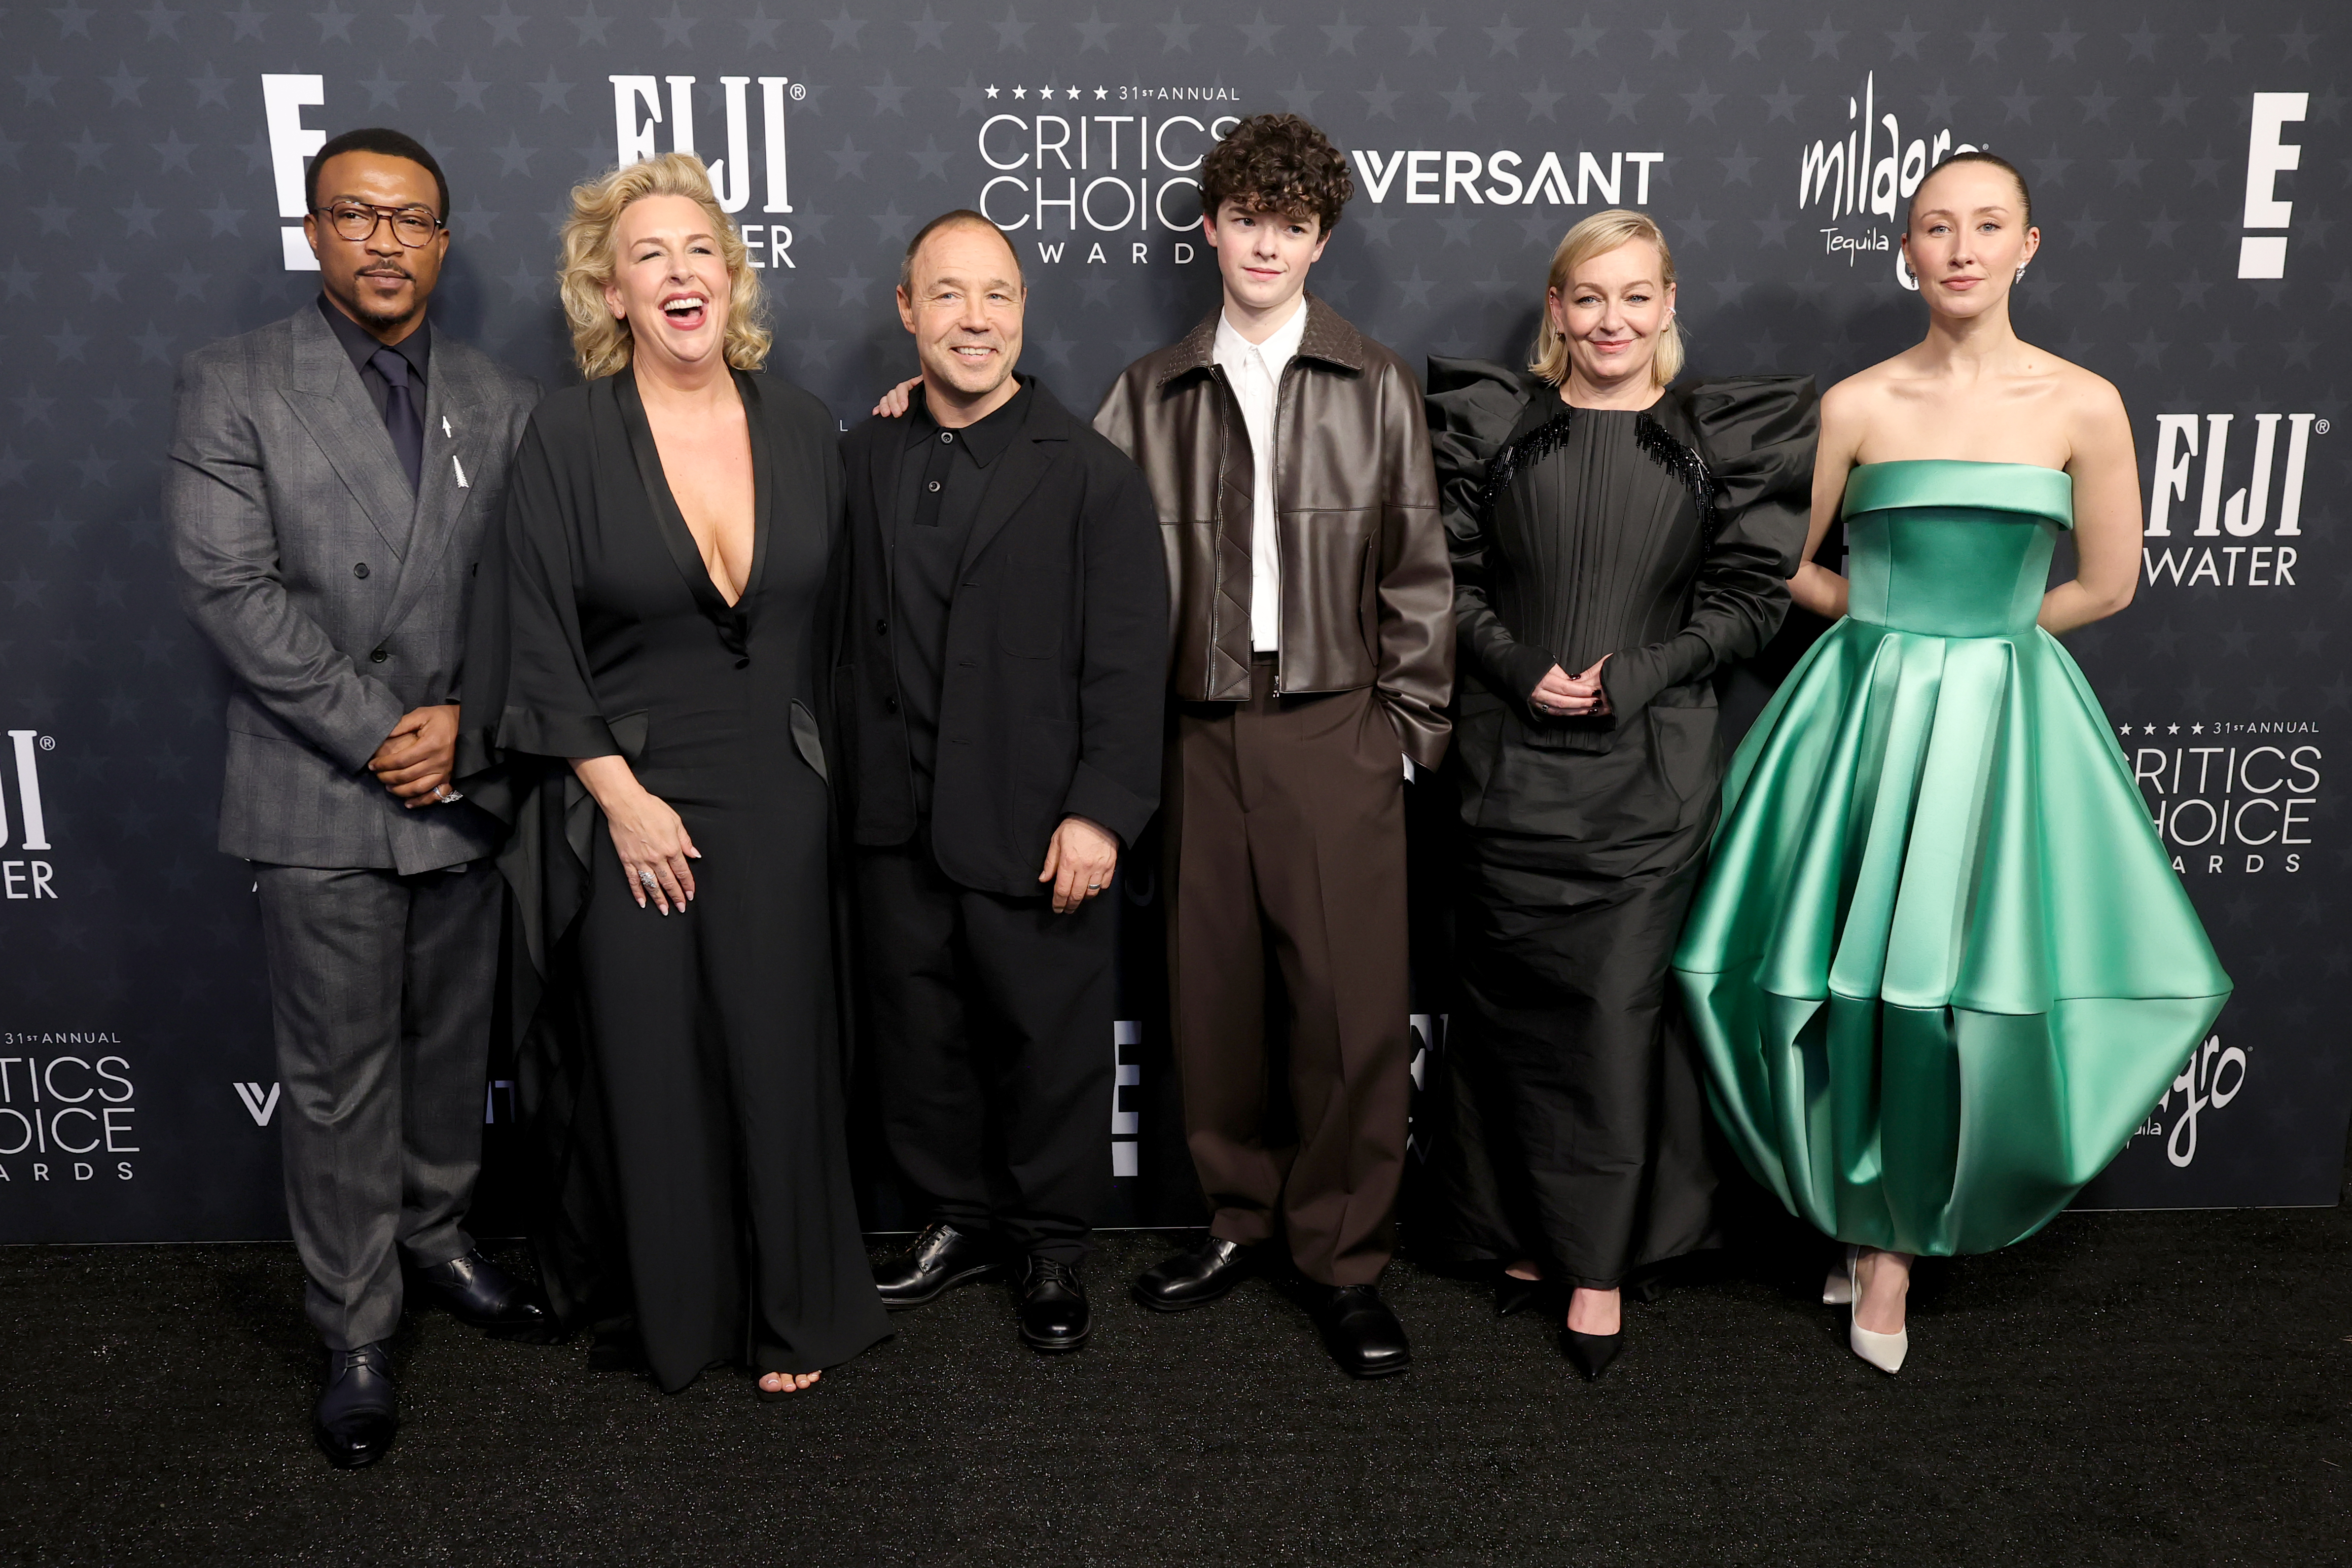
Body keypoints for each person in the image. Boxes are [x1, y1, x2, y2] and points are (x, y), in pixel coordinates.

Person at [1671, 152, 2232, 1373]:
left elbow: (2110, 582)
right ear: (1907, 252)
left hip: (2003, 717)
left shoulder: (2084, 403)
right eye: (1937, 227)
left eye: (1987, 226)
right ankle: (1860, 1201)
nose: (1962, 248)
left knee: (1949, 978)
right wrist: (1886, 623)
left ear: (2029, 246)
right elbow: (1787, 562)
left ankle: (1892, 1249)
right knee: (1847, 970)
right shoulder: (1858, 403)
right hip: (1864, 712)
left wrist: (1990, 640)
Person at [462, 152, 888, 1398]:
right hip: (625, 802)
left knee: (780, 1053)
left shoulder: (802, 424)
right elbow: (533, 636)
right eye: (648, 255)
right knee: (654, 1067)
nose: (679, 272)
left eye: (700, 249)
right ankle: (682, 1315)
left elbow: (847, 619)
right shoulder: (568, 435)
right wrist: (622, 800)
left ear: (733, 278)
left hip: (783, 796)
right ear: (611, 293)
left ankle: (794, 1310)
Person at [167, 126, 549, 1468]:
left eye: (411, 219)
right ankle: (356, 1328)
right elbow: (229, 588)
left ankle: (438, 1239)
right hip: (320, 786)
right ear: (315, 230)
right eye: (357, 215)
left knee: (450, 1060)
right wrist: (384, 731)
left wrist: (471, 726)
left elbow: (533, 589)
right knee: (336, 1086)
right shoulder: (233, 382)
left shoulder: (503, 396)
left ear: (443, 241)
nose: (385, 240)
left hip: (463, 783)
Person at [1419, 211, 1817, 1379]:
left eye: (1636, 296)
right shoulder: (1494, 425)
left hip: (1648, 776)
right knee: (1508, 1012)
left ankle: (1598, 1268)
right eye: (1589, 297)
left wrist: (1636, 674)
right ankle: (1522, 1233)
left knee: (1611, 1021)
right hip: (1508, 767)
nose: (1612, 320)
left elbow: (1751, 600)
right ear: (1556, 308)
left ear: (1668, 304)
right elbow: (1446, 580)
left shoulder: (1717, 437)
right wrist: (1513, 665)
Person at [1095, 113, 1454, 1379]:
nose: (1265, 244)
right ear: (1210, 227)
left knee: (1350, 1013)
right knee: (1215, 1000)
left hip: (1336, 722)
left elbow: (1417, 567)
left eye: (1290, 226)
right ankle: (1236, 1219)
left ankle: (1345, 1261)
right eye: (1246, 219)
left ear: (1321, 242)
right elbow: (1091, 555)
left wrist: (1404, 736)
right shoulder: (1148, 390)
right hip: (1197, 726)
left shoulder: (1376, 380)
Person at [847, 213, 1167, 1354]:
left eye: (997, 295)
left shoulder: (1090, 474)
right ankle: (959, 1221)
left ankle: (1049, 1247)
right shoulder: (864, 457)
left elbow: (1129, 664)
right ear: (907, 311)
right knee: (919, 1042)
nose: (974, 319)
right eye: (948, 295)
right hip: (894, 822)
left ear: (1025, 310)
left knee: (1049, 1048)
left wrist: (1100, 813)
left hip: (1038, 827)